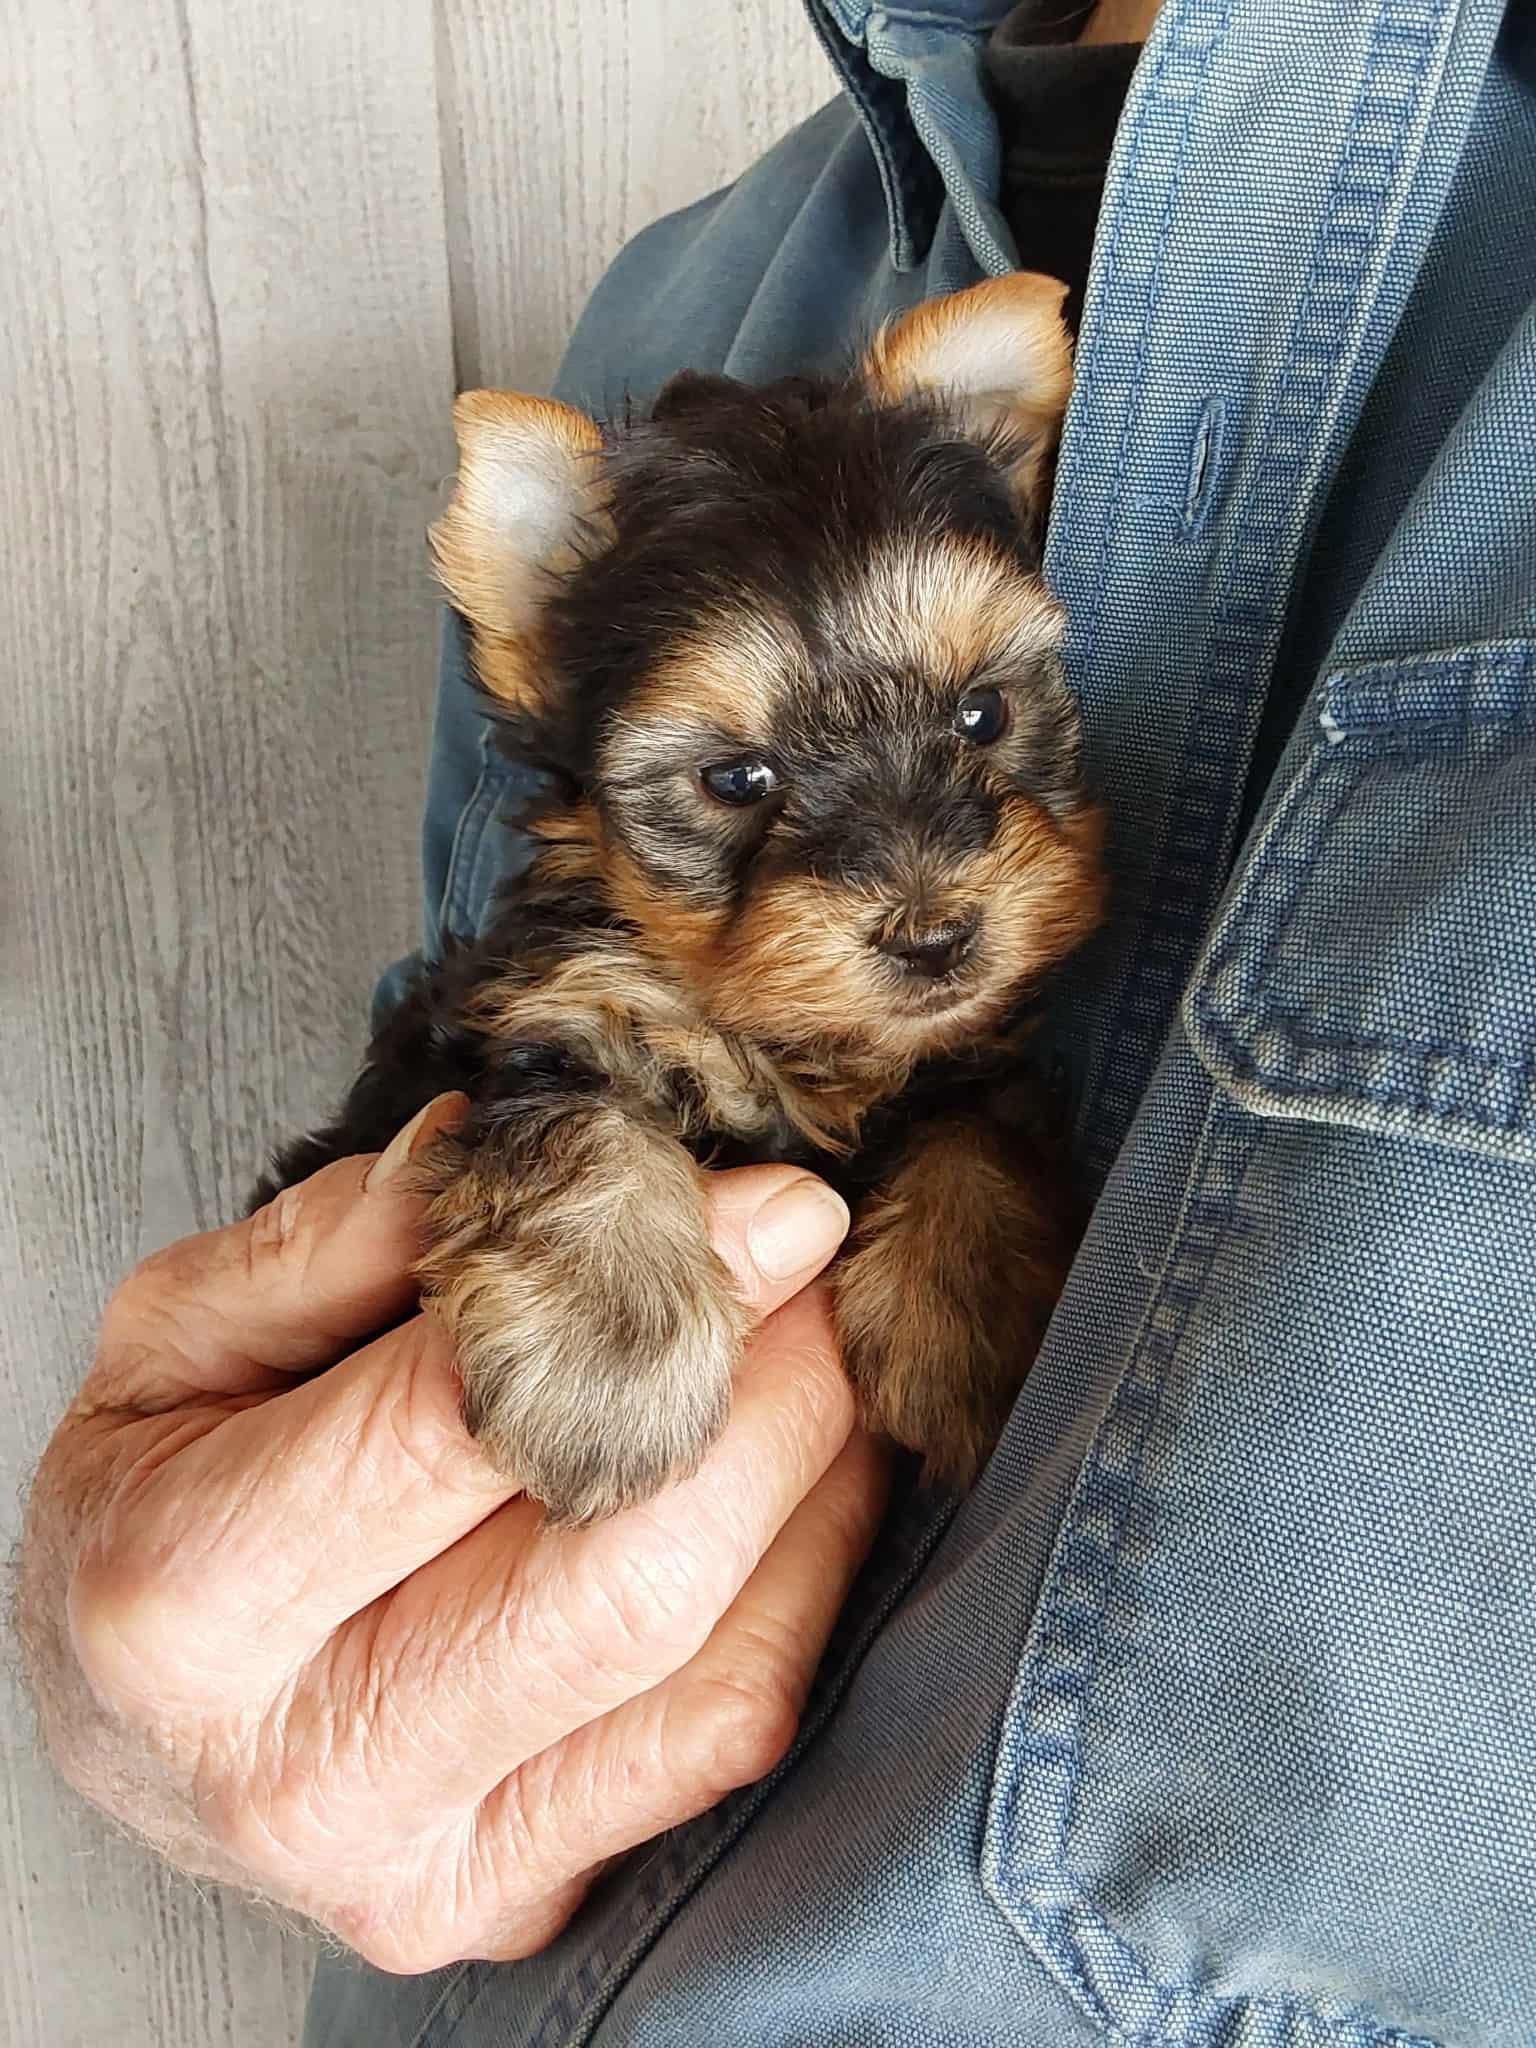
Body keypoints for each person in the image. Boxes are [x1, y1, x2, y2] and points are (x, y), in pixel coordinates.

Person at [20, 0, 1536, 2041]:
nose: (920, 892)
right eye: (732, 785)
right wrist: (155, 1689)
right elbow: (451, 1095)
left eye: (980, 717)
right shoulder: (693, 288)